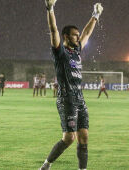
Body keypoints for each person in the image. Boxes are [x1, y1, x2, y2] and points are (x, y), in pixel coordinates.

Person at [39, 1, 103, 170]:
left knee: (84, 137)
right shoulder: (60, 52)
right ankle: (46, 165)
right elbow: (53, 29)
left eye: (77, 35)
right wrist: (50, 9)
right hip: (66, 98)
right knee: (69, 138)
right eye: (74, 35)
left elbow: (87, 32)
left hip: (79, 98)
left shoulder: (77, 51)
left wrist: (95, 15)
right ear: (66, 36)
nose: (78, 37)